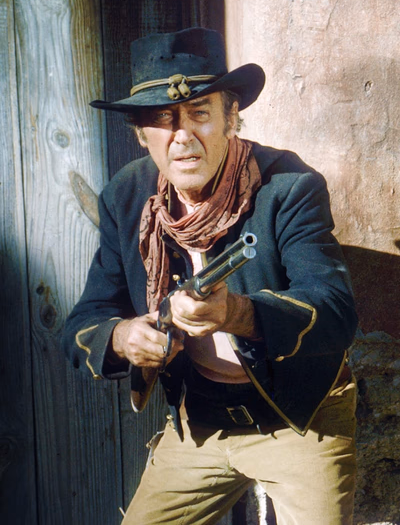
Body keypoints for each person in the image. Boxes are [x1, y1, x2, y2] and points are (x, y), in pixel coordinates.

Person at [61, 27, 359, 524]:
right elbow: (83, 322)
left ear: (231, 118)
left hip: (298, 417)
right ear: (140, 134)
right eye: (163, 119)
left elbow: (335, 312)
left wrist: (236, 313)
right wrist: (122, 337)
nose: (182, 136)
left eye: (200, 113)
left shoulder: (289, 186)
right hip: (197, 422)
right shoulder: (127, 196)